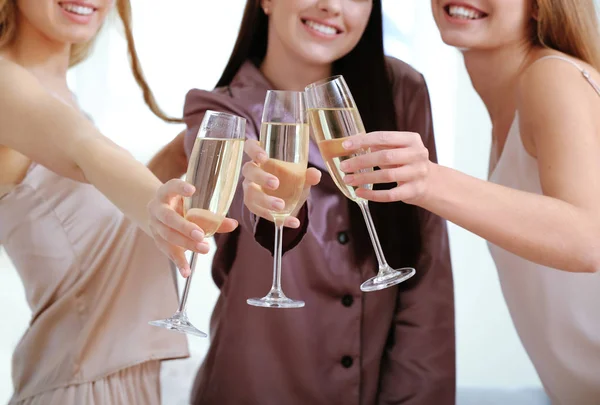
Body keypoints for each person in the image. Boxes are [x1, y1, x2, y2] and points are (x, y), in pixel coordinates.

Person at [175, 0, 455, 403]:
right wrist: (266, 198)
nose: (331, 6)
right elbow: (239, 200)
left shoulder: (400, 90)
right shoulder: (218, 112)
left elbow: (427, 275)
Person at [339, 0, 600, 403]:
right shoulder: (515, 100)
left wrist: (427, 180)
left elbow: (589, 239)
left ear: (539, 7)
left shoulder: (552, 76)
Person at [0, 0, 236, 403]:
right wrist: (153, 200)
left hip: (128, 383)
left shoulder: (64, 94)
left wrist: (183, 155)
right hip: (80, 388)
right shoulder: (7, 84)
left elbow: (111, 236)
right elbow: (83, 149)